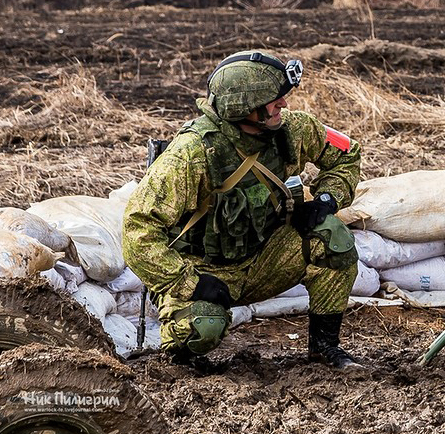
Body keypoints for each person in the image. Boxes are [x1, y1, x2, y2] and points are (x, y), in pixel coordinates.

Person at [123, 50, 363, 368]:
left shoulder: (295, 130)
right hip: (203, 275)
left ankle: (324, 348)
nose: (284, 104)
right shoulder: (192, 154)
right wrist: (188, 282)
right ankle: (180, 360)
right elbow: (137, 228)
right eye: (273, 99)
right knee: (203, 328)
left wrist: (326, 200)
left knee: (334, 239)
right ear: (244, 107)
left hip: (263, 260)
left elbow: (347, 152)